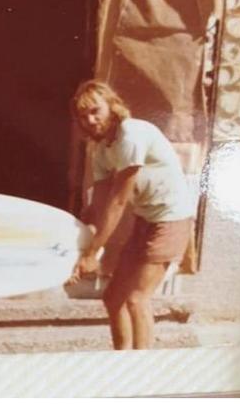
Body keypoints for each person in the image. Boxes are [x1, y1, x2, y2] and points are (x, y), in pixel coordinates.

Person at [68, 80, 195, 350]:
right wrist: (76, 255)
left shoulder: (131, 133)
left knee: (137, 298)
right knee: (114, 297)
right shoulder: (102, 150)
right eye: (83, 115)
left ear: (112, 106)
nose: (90, 120)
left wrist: (93, 253)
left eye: (95, 111)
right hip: (145, 219)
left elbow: (118, 201)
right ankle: (123, 360)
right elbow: (98, 204)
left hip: (171, 219)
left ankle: (143, 368)